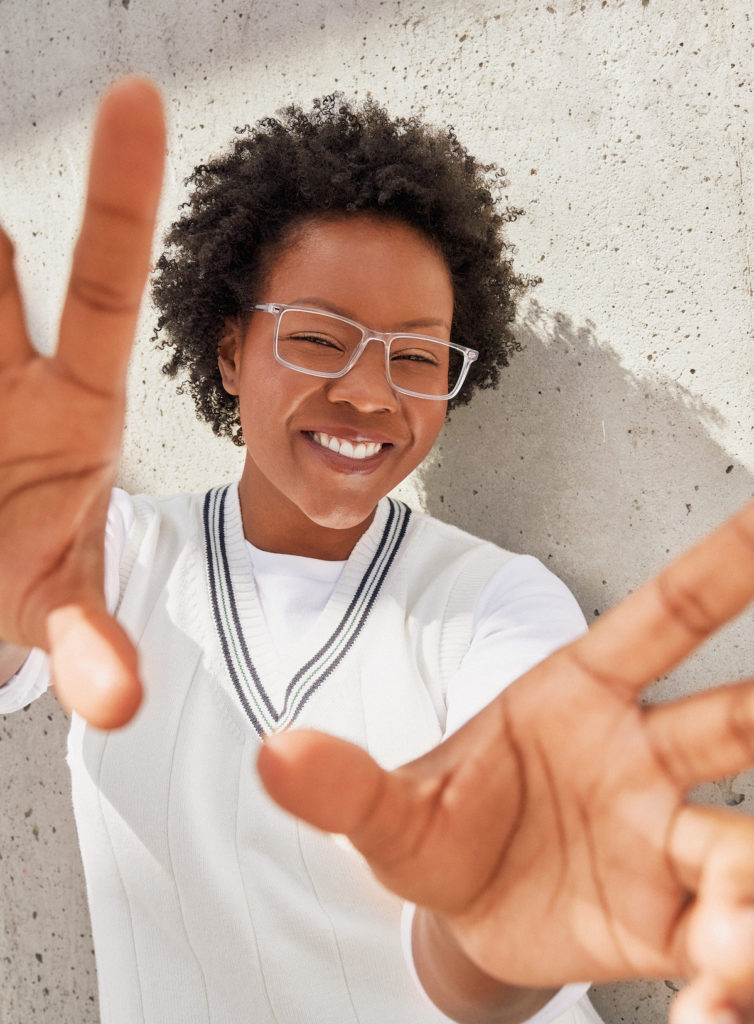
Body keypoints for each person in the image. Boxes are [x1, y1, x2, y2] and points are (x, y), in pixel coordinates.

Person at [1, 77, 753, 1024]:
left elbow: (493, 942)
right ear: (229, 353)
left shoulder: (496, 607)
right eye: (319, 338)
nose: (369, 394)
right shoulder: (116, 556)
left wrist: (488, 927)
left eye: (416, 355)